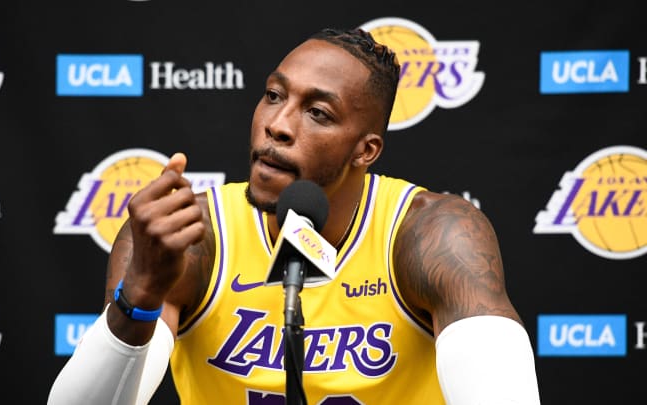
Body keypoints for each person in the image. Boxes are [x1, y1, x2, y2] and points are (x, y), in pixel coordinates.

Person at [48, 27, 541, 405]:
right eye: (274, 95)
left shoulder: (429, 233)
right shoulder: (191, 235)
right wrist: (140, 295)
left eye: (318, 113)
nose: (277, 126)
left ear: (365, 150)